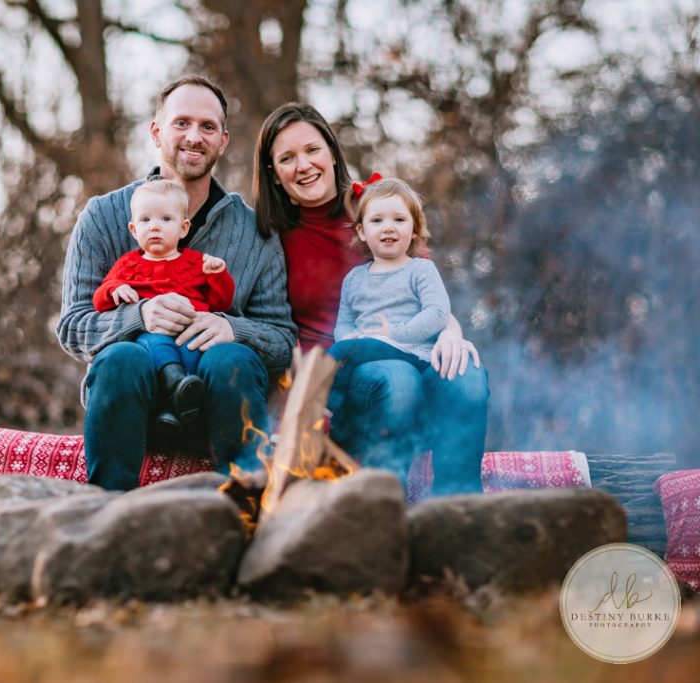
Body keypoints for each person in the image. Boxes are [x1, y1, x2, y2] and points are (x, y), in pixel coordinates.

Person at [57, 76, 296, 491]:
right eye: (181, 123)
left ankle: (247, 504)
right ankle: (111, 512)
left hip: (220, 406)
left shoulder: (257, 232)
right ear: (156, 132)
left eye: (207, 127)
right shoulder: (104, 216)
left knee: (231, 359)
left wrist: (232, 328)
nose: (193, 137)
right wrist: (139, 316)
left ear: (223, 141)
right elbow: (73, 327)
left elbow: (282, 342)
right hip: (133, 407)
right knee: (120, 359)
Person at [253, 102, 489, 496]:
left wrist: (451, 333)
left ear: (331, 151)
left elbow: (425, 291)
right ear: (275, 175)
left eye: (312, 149)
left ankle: (458, 506)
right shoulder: (270, 237)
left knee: (464, 372)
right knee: (396, 379)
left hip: (411, 348)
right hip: (339, 381)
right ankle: (383, 506)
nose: (304, 165)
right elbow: (271, 328)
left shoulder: (376, 209)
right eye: (287, 158)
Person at [92, 179, 236, 438]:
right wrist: (114, 290)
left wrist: (218, 275)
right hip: (152, 338)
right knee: (152, 342)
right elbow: (99, 300)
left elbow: (221, 302)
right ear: (134, 230)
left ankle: (178, 409)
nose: (155, 226)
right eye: (146, 221)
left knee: (196, 359)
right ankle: (170, 400)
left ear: (183, 228)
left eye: (166, 219)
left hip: (190, 336)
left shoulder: (196, 262)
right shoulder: (128, 265)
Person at [331, 177, 450, 371]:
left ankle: (316, 389)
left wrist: (394, 334)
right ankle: (322, 396)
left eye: (399, 220)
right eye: (377, 220)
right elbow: (344, 322)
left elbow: (437, 312)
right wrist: (347, 339)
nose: (388, 227)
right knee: (336, 359)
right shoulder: (353, 278)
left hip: (411, 352)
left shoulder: (421, 269)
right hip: (363, 354)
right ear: (362, 231)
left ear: (414, 229)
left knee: (334, 358)